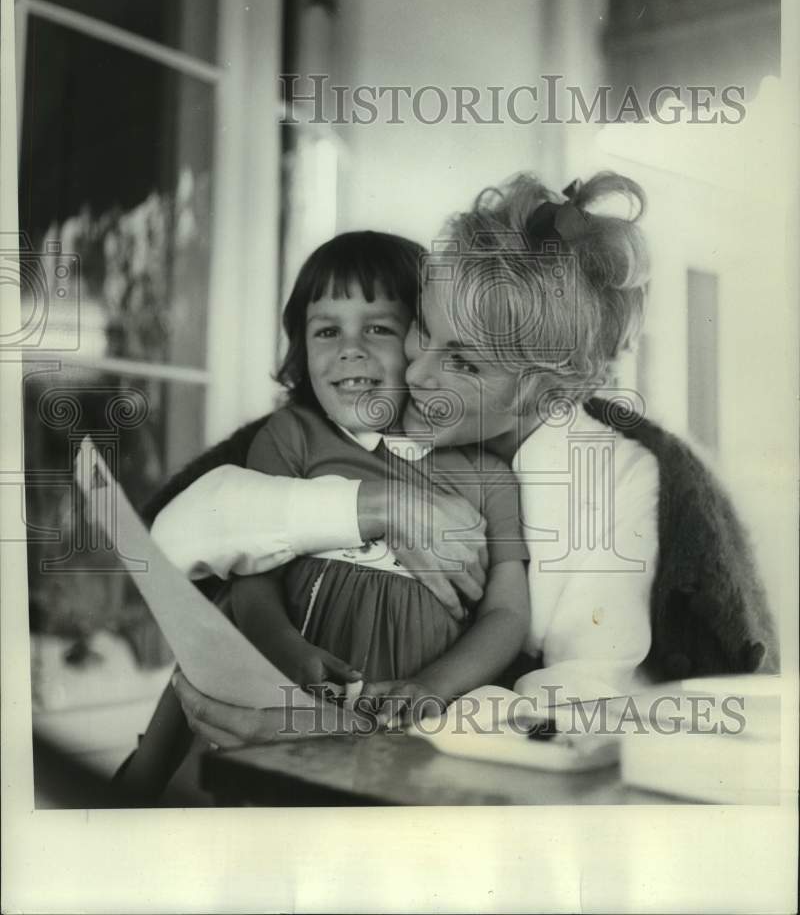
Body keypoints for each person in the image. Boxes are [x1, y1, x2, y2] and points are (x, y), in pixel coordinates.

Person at [151, 171, 777, 751]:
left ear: (547, 391)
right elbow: (177, 534)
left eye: (465, 363)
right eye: (423, 327)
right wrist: (373, 506)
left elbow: (582, 704)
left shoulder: (615, 481)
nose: (416, 372)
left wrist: (353, 725)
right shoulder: (366, 407)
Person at [120, 231, 530, 798]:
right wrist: (286, 649)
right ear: (301, 347)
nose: (350, 348)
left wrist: (434, 685)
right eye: (327, 330)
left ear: (420, 340)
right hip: (289, 674)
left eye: (379, 327)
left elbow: (507, 613)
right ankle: (135, 787)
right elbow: (248, 578)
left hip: (406, 701)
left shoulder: (488, 476)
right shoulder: (294, 438)